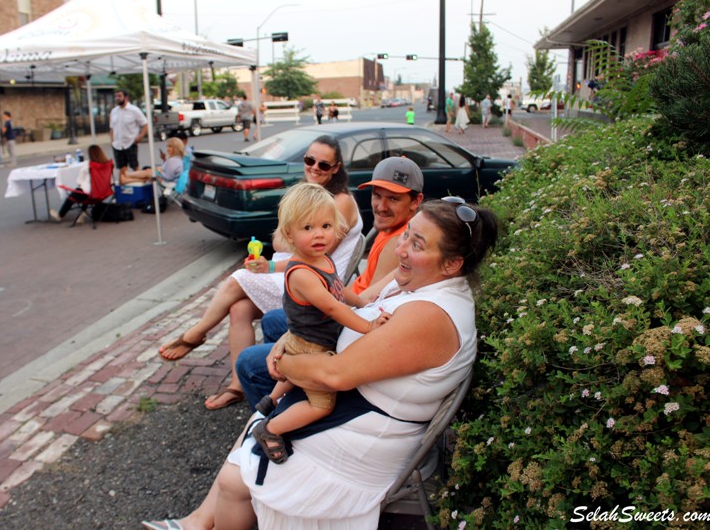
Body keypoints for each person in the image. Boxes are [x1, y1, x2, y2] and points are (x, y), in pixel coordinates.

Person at [142, 196, 499, 530]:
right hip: (356, 404)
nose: (401, 250)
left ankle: (203, 520)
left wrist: (285, 363)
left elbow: (334, 374)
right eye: (406, 236)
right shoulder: (417, 281)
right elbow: (358, 302)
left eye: (417, 245)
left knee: (236, 477)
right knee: (258, 427)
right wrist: (292, 338)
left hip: (366, 439)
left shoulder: (430, 316)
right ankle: (198, 522)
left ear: (453, 264)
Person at [158, 135, 364, 411]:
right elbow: (285, 245)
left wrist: (274, 258)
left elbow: (309, 255)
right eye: (309, 160)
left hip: (313, 284)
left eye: (323, 165)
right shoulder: (309, 194)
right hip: (295, 271)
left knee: (239, 279)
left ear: (336, 168)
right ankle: (237, 386)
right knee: (239, 309)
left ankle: (196, 333)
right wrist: (272, 260)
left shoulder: (338, 201)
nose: (314, 168)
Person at [236, 156, 425, 410]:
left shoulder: (399, 243)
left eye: (393, 198)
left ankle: (280, 416)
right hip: (341, 309)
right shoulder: (387, 229)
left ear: (416, 202)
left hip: (345, 324)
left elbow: (368, 302)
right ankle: (291, 392)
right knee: (272, 321)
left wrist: (291, 346)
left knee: (248, 362)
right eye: (377, 196)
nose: (380, 206)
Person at [250, 183, 389, 464]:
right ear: (289, 233)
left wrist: (363, 304)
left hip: (300, 336)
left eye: (326, 225)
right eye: (308, 228)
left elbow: (339, 290)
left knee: (290, 374)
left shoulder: (322, 259)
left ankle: (270, 400)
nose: (319, 234)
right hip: (310, 347)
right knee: (322, 405)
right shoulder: (303, 274)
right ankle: (270, 429)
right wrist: (369, 326)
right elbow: (332, 306)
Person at [49, 145, 112, 222]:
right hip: (104, 193)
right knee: (83, 191)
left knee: (76, 193)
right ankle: (82, 213)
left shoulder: (88, 164)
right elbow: (111, 181)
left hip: (91, 194)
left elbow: (79, 181)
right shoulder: (107, 164)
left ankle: (60, 215)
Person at [110, 89, 148, 174]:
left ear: (126, 97)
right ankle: (124, 185)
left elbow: (145, 124)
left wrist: (140, 136)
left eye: (119, 96)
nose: (117, 98)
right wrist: (112, 141)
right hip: (118, 144)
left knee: (135, 166)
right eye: (116, 96)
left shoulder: (134, 110)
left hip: (130, 142)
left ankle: (139, 184)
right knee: (121, 168)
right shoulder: (114, 111)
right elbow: (112, 127)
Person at [119, 137, 184, 185]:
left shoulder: (173, 160)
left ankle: (127, 175)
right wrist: (164, 161)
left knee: (148, 172)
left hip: (166, 181)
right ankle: (126, 180)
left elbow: (168, 177)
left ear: (176, 148)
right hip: (166, 180)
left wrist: (159, 171)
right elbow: (169, 170)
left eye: (170, 147)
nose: (167, 149)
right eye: (167, 146)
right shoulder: (176, 159)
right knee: (148, 178)